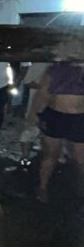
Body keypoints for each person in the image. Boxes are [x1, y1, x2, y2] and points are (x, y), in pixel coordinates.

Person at [30, 62, 84, 204]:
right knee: (50, 155)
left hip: (79, 119)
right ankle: (42, 187)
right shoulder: (55, 68)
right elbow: (43, 93)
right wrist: (34, 114)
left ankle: (80, 188)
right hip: (55, 117)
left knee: (80, 159)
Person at [18, 63, 51, 170]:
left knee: (47, 135)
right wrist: (43, 88)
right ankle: (25, 159)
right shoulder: (38, 64)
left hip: (54, 108)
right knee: (29, 131)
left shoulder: (63, 65)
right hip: (36, 105)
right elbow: (27, 81)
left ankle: (44, 160)